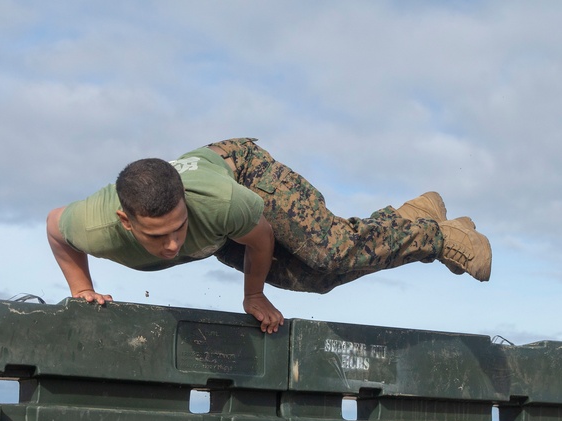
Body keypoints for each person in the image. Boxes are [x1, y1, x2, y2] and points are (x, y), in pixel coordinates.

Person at [46, 137, 492, 334]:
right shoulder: (94, 225)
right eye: (158, 236)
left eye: (180, 227)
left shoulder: (221, 201)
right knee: (318, 280)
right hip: (222, 237)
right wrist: (81, 288)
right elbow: (54, 226)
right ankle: (411, 216)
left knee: (328, 249)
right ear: (126, 223)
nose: (172, 246)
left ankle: (437, 237)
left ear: (186, 201)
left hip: (246, 172)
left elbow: (259, 235)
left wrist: (252, 295)